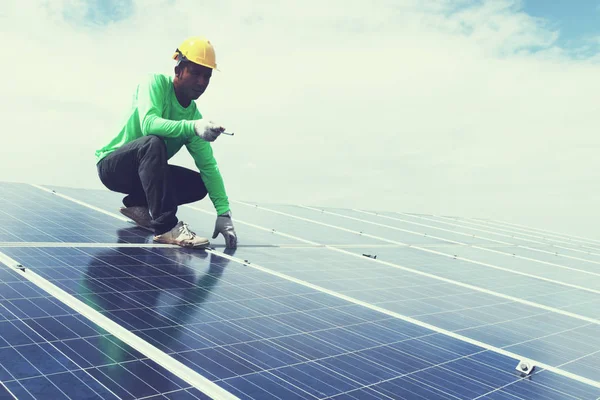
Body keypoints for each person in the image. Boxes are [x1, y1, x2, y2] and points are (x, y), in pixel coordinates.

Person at [94, 36, 237, 249]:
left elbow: (208, 166)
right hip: (113, 168)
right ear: (178, 70)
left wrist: (223, 213)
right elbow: (149, 124)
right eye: (195, 73)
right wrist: (193, 127)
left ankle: (137, 203)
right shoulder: (155, 84)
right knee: (152, 142)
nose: (201, 82)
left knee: (199, 184)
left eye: (207, 76)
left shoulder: (192, 115)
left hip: (144, 177)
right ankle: (166, 228)